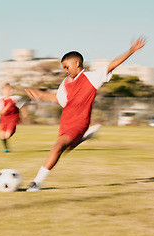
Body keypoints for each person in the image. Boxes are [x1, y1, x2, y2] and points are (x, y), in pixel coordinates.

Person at [24, 37, 147, 191]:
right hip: (65, 123)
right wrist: (41, 95)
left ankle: (36, 183)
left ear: (77, 63)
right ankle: (86, 137)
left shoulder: (92, 77)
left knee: (57, 148)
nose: (66, 70)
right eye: (64, 68)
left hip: (79, 123)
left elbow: (111, 65)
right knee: (64, 149)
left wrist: (131, 51)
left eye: (66, 66)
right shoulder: (65, 83)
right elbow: (57, 99)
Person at [0, 83, 25, 152]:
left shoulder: (16, 98)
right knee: (2, 136)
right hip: (3, 118)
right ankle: (6, 149)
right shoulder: (0, 99)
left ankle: (12, 131)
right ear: (2, 90)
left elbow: (22, 105)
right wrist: (6, 107)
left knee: (7, 136)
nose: (8, 92)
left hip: (13, 118)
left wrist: (24, 113)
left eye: (9, 90)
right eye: (6, 90)